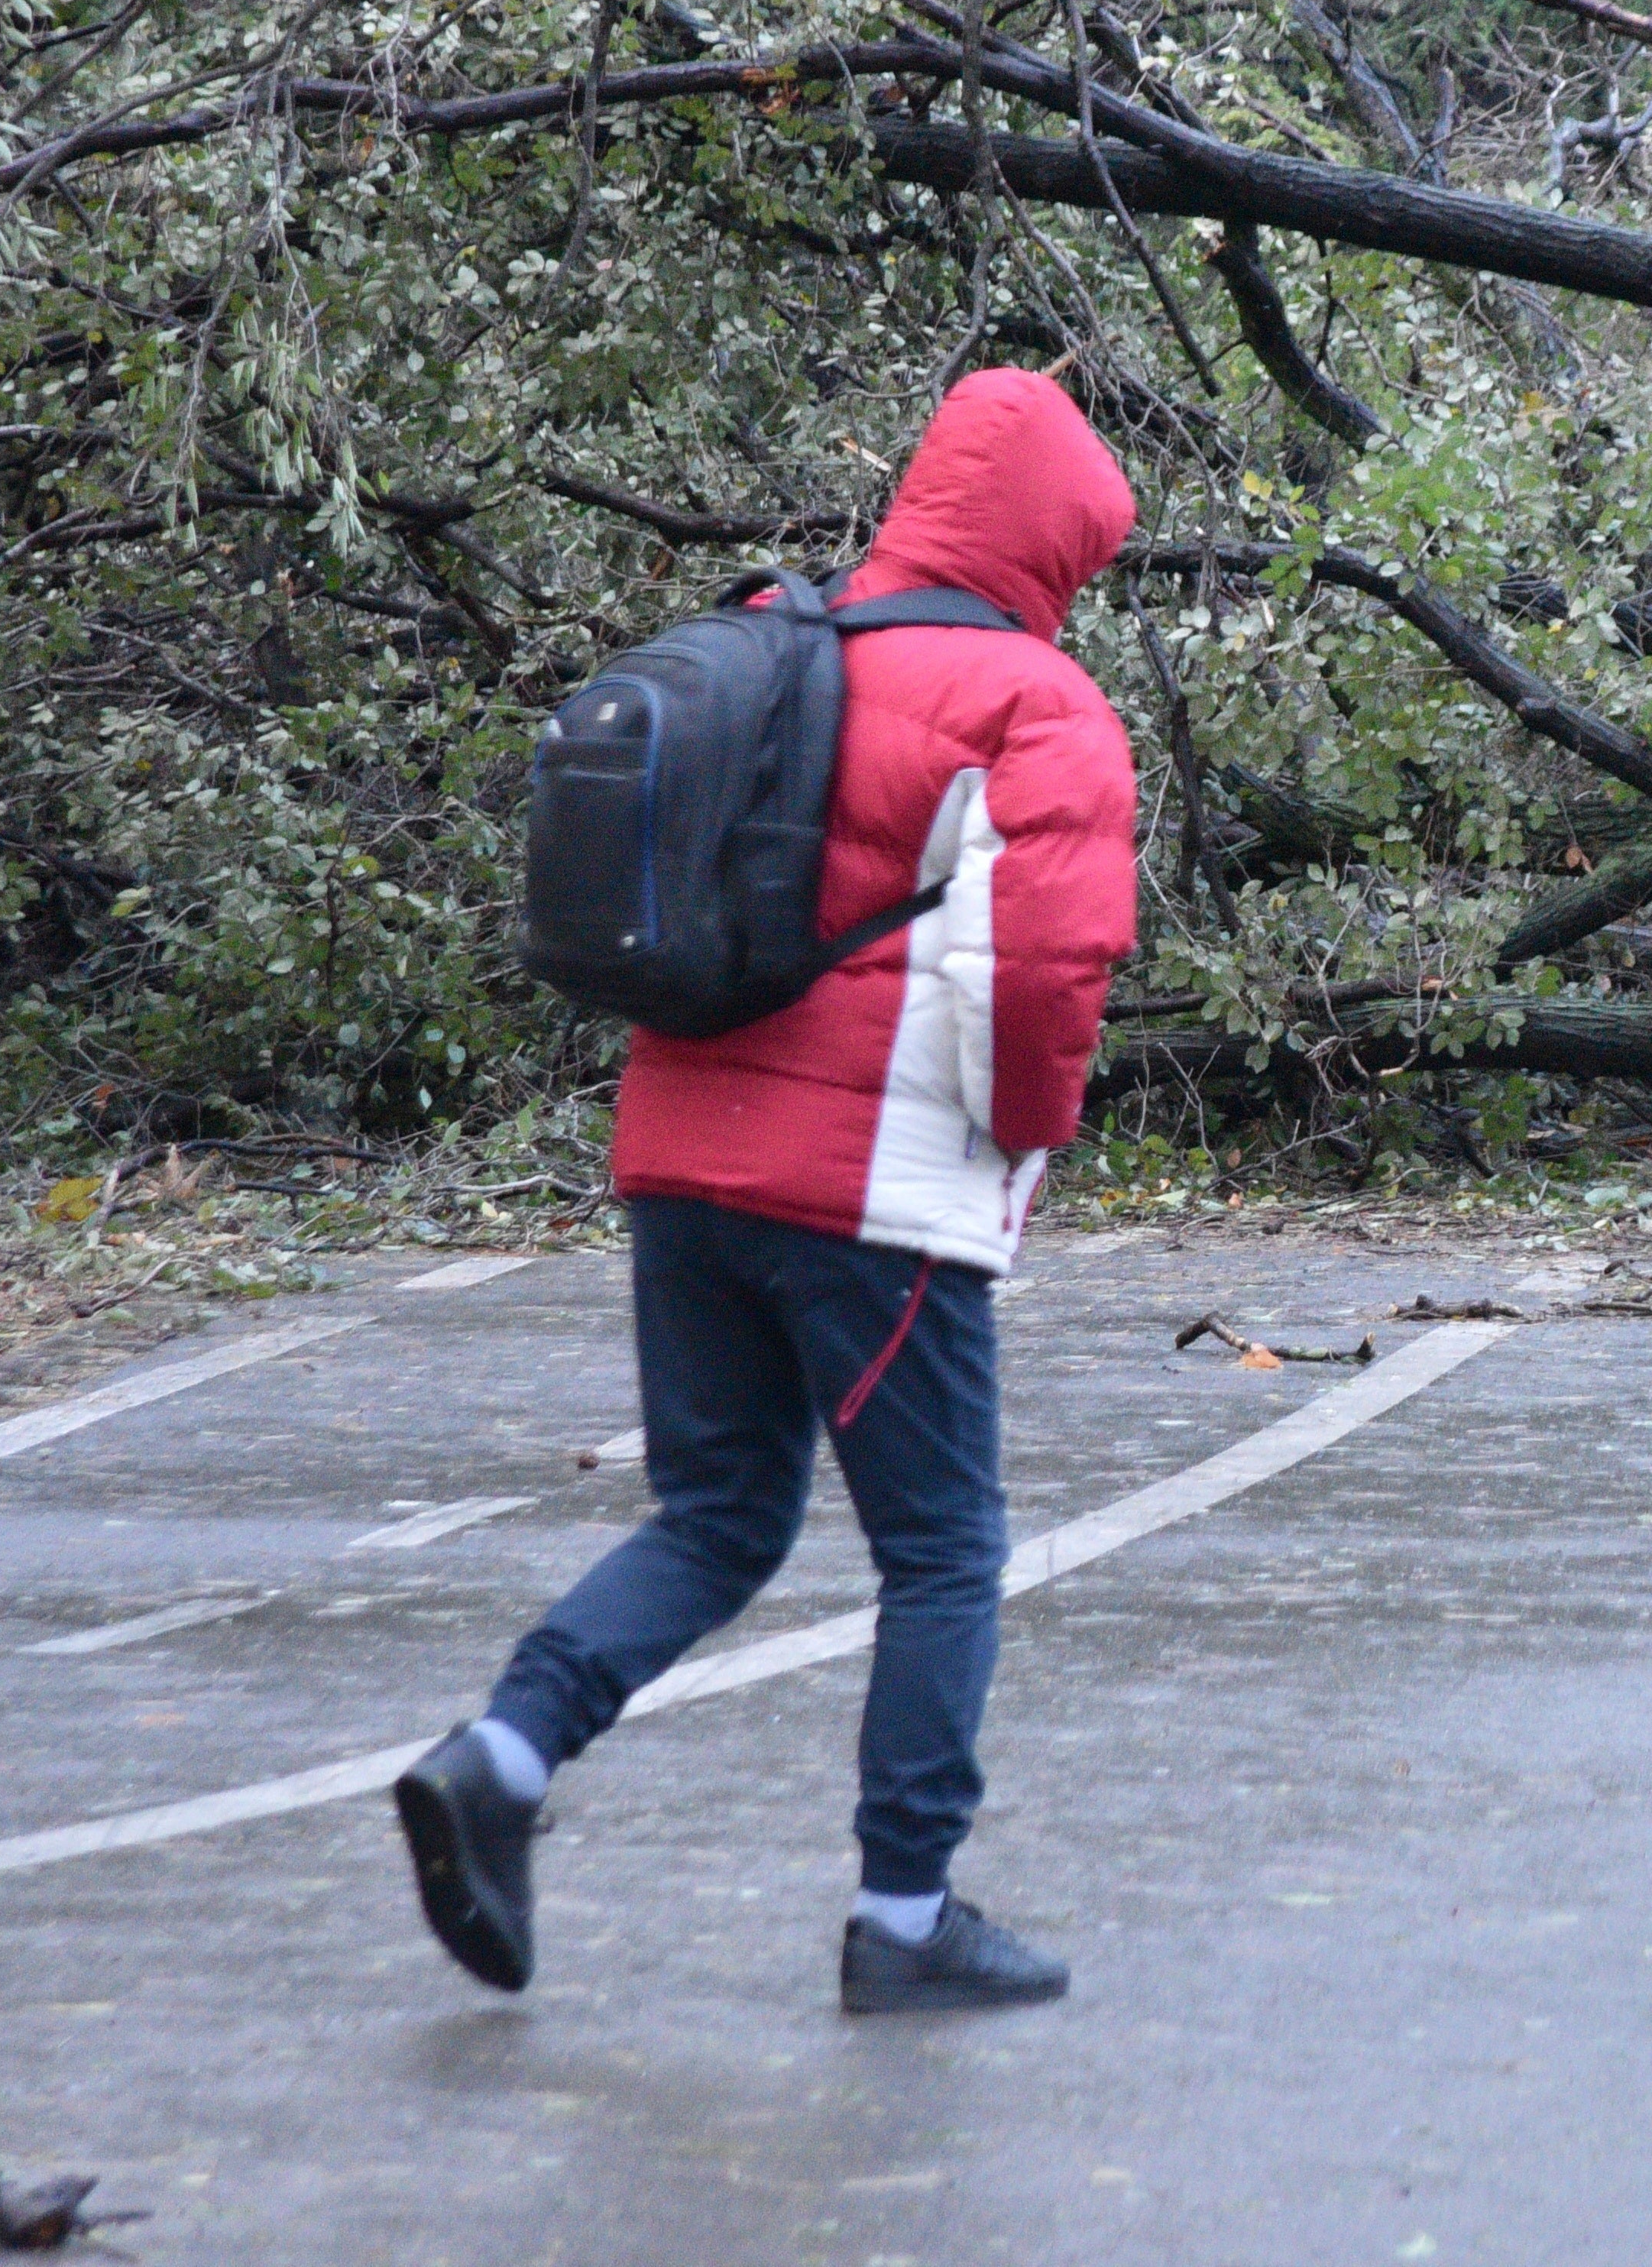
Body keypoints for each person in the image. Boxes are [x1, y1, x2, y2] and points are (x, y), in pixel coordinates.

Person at [394, 368, 1140, 2013]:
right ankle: (903, 1911)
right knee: (944, 1548)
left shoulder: (775, 639)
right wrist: (1022, 1142)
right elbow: (1044, 969)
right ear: (1056, 543)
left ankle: (503, 1755)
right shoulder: (1035, 702)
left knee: (720, 1512)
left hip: (679, 1149)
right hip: (866, 1188)